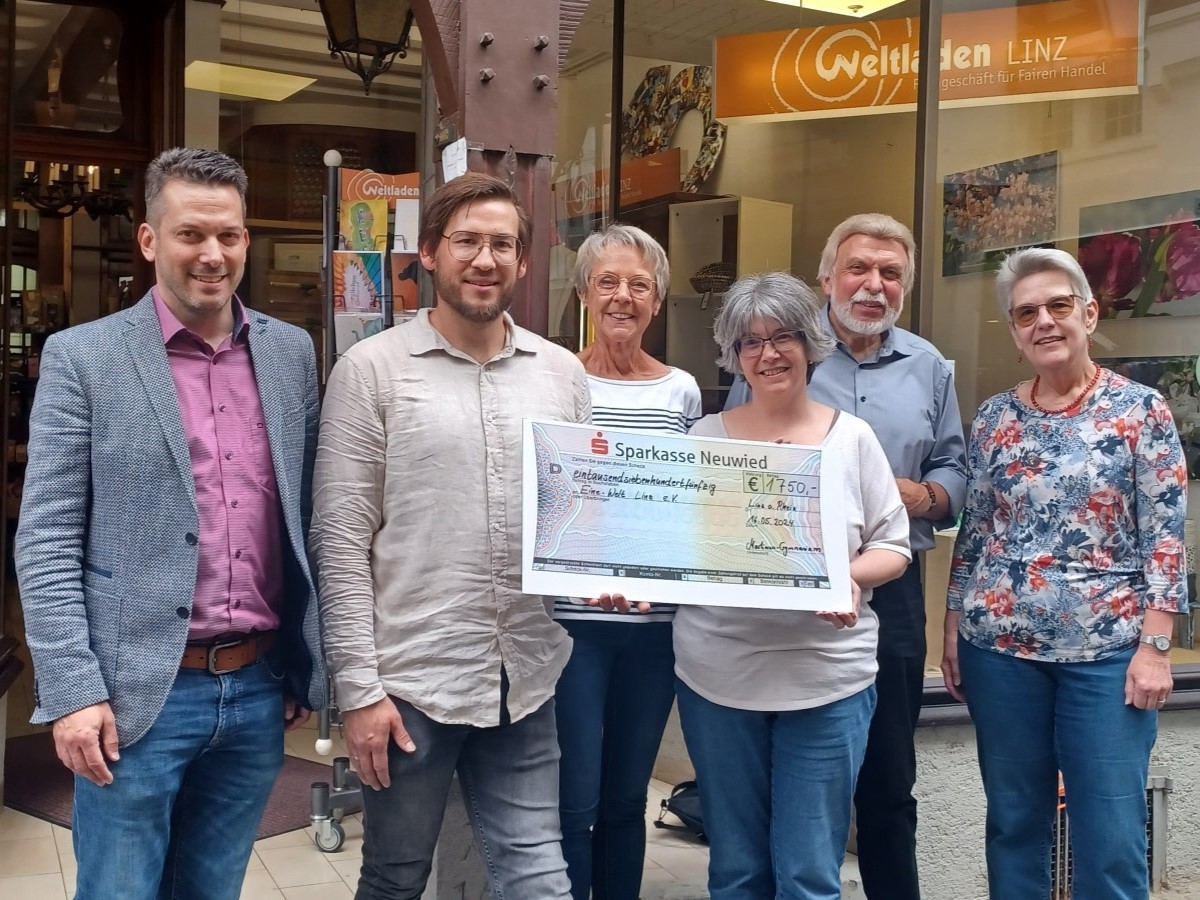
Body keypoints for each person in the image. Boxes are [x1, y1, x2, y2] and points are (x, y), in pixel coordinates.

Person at [15, 147, 325, 900]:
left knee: (212, 889)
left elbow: (309, 516)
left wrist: (303, 656)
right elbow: (47, 538)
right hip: (132, 697)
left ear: (247, 239)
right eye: (191, 234)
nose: (212, 255)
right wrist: (72, 691)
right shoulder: (83, 358)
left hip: (256, 687)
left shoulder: (290, 355)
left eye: (229, 235)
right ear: (151, 241)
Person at [311, 172, 591, 900]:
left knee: (542, 882)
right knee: (396, 877)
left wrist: (613, 571)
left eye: (502, 244)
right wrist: (358, 691)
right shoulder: (370, 370)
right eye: (467, 241)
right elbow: (339, 542)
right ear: (429, 253)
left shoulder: (562, 375)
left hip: (526, 675)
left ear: (523, 263)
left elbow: (581, 516)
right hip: (409, 686)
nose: (485, 259)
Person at [726, 213, 967, 899]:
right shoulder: (781, 357)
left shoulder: (930, 367)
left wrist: (916, 497)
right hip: (786, 585)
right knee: (783, 779)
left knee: (889, 780)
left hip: (890, 593)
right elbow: (738, 463)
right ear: (826, 279)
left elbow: (957, 471)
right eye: (859, 269)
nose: (873, 285)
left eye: (890, 273)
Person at [941, 247, 1187, 899]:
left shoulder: (1141, 411)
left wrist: (1156, 648)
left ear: (1089, 313)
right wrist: (952, 624)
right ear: (1017, 335)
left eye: (1058, 306)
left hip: (1108, 656)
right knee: (1016, 824)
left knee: (1109, 836)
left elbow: (1166, 537)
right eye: (1026, 314)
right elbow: (977, 531)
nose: (1044, 322)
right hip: (1000, 653)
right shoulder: (995, 418)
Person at [675, 272, 911, 899]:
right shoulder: (703, 442)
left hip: (828, 679)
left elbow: (893, 546)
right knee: (736, 870)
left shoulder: (852, 439)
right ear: (734, 356)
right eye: (749, 342)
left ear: (810, 344)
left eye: (782, 337)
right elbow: (675, 551)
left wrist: (843, 580)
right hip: (718, 678)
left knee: (809, 874)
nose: (768, 353)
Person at [553, 224, 701, 900]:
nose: (622, 296)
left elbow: (684, 502)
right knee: (574, 798)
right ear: (585, 292)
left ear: (657, 302)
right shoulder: (553, 379)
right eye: (607, 282)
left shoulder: (683, 392)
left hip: (654, 630)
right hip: (570, 625)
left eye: (638, 285)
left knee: (627, 797)